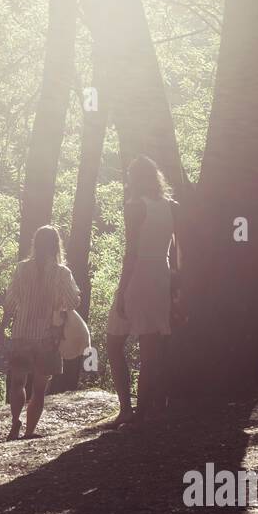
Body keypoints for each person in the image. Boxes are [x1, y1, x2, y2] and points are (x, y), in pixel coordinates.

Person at [104, 156, 181, 429]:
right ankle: (147, 410)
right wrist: (174, 286)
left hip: (138, 276)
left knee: (113, 344)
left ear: (134, 179)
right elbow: (175, 250)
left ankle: (128, 410)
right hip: (160, 275)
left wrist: (122, 290)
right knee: (151, 348)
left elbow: (131, 251)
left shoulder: (135, 207)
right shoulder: (172, 207)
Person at [0, 225, 81, 440]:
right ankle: (29, 432)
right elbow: (73, 301)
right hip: (48, 336)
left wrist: (2, 326)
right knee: (39, 388)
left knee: (17, 383)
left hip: (22, 333)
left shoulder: (22, 269)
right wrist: (60, 305)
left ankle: (15, 423)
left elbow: (11, 301)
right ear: (56, 245)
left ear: (35, 244)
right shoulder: (62, 273)